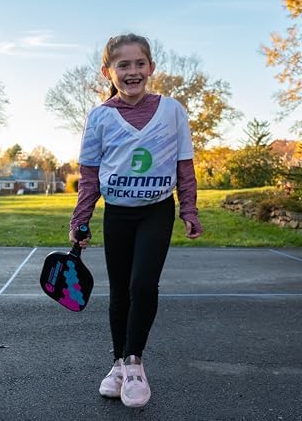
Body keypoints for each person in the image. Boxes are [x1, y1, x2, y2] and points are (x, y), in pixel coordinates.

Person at [69, 33, 203, 408]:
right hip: (118, 214)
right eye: (123, 65)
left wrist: (188, 209)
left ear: (151, 67)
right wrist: (80, 220)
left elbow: (184, 166)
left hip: (156, 211)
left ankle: (134, 363)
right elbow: (89, 176)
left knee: (142, 285)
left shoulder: (172, 111)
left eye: (139, 63)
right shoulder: (99, 117)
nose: (132, 72)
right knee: (119, 292)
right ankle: (118, 364)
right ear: (107, 71)